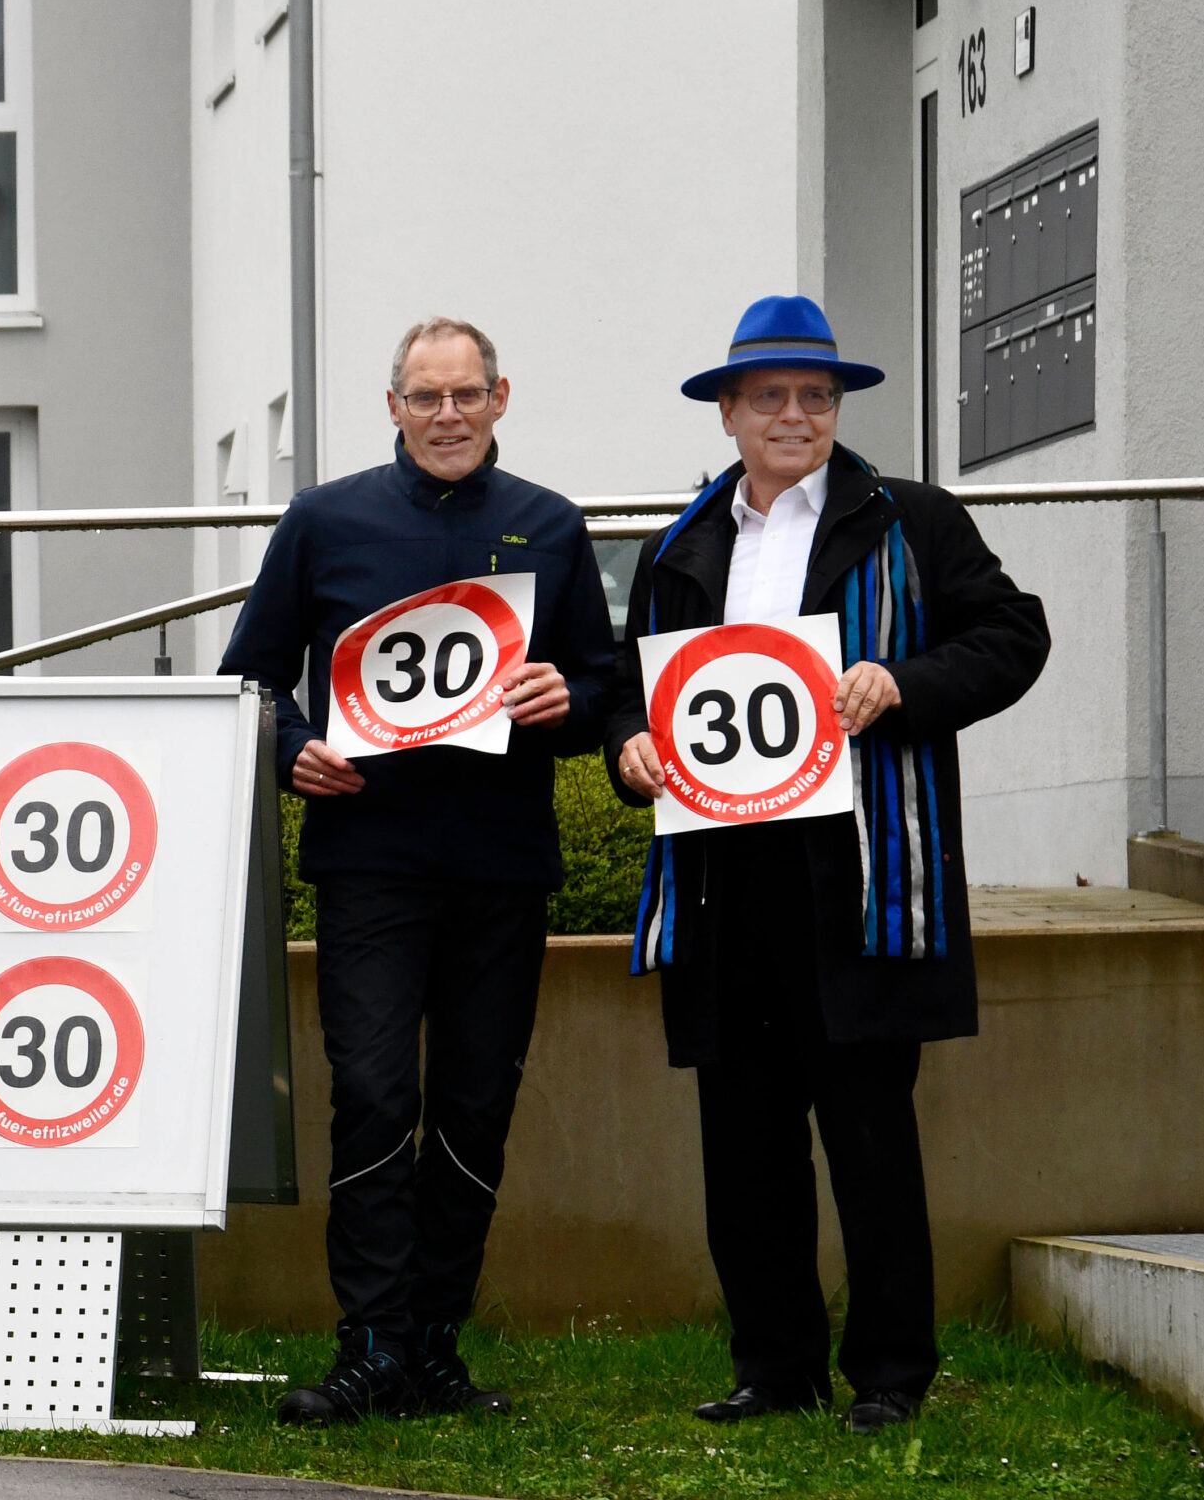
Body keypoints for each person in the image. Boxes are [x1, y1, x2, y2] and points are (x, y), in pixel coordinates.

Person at [604, 295, 1049, 1432]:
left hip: (860, 872)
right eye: (769, 398)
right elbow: (628, 694)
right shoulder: (680, 544)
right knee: (743, 1142)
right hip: (720, 877)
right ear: (728, 416)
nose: (793, 416)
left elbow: (1010, 637)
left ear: (835, 409)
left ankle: (891, 1374)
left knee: (868, 1135)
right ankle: (774, 1367)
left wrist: (902, 682)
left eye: (813, 397)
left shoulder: (910, 520)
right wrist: (630, 748)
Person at [221, 318, 616, 1424]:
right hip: (372, 863)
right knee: (375, 1094)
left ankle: (437, 1344)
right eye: (425, 396)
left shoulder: (548, 524)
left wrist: (567, 703)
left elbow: (603, 690)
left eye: (466, 395)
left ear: (500, 398)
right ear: (390, 405)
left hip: (499, 863)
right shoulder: (325, 519)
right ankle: (368, 1342)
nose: (447, 414)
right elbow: (249, 679)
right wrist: (290, 745)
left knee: (473, 1106)